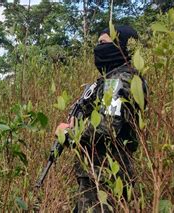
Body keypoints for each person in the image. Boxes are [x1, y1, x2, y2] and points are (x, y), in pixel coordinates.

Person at [55, 25, 148, 212]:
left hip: (104, 173)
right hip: (101, 173)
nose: (98, 48)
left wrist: (69, 133)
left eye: (103, 43)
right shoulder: (115, 79)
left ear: (120, 46)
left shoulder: (117, 80)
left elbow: (107, 126)